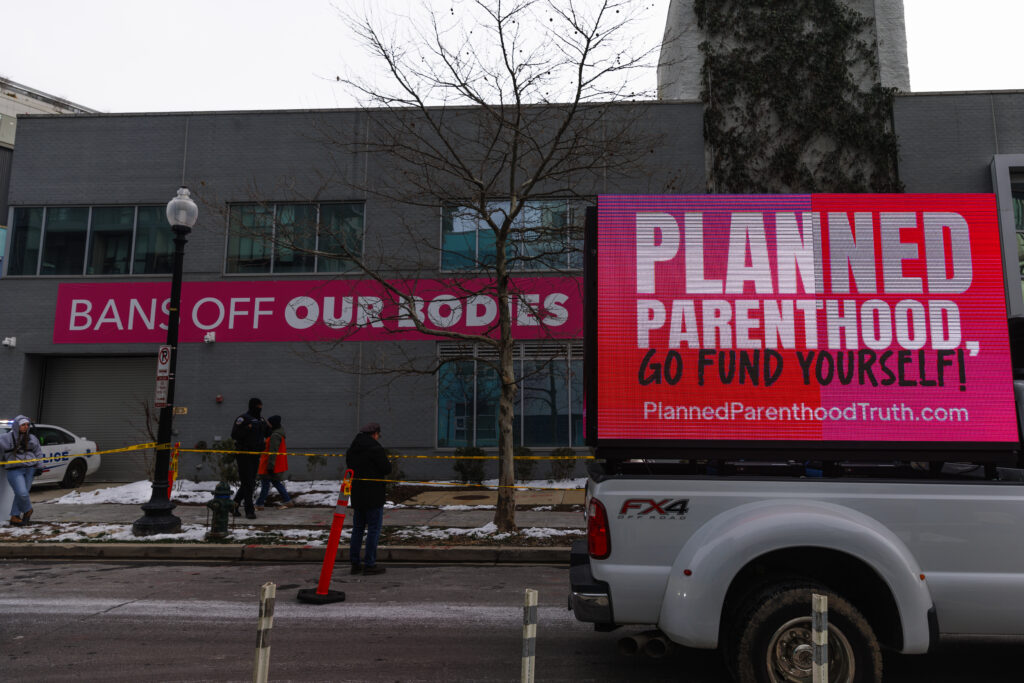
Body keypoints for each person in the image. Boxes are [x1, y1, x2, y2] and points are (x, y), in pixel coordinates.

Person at [346, 422, 392, 575]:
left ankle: (355, 562)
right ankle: (370, 563)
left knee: (357, 529)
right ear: (375, 434)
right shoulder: (376, 448)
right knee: (373, 529)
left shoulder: (353, 449)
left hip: (358, 494)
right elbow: (387, 469)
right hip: (374, 495)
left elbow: (349, 467)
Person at [1, 415, 43, 526]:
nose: (25, 427)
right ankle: (28, 510)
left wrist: (39, 466)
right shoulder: (5, 438)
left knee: (20, 494)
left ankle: (14, 516)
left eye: (27, 425)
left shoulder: (32, 438)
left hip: (30, 469)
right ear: (16, 426)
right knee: (22, 493)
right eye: (23, 425)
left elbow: (38, 453)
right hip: (15, 469)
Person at [231, 397, 269, 519]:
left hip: (255, 454)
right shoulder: (243, 419)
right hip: (244, 454)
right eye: (258, 406)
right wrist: (247, 428)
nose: (260, 408)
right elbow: (235, 435)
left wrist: (266, 426)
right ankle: (249, 510)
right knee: (248, 483)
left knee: (249, 482)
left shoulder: (260, 419)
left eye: (261, 406)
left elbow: (267, 433)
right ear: (252, 406)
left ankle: (234, 505)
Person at [255, 415, 293, 510]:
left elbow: (273, 452)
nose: (268, 425)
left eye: (269, 423)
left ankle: (259, 504)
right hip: (273, 464)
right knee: (275, 483)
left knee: (266, 484)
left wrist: (270, 466)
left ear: (273, 424)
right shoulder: (278, 434)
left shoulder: (275, 436)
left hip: (269, 465)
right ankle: (287, 501)